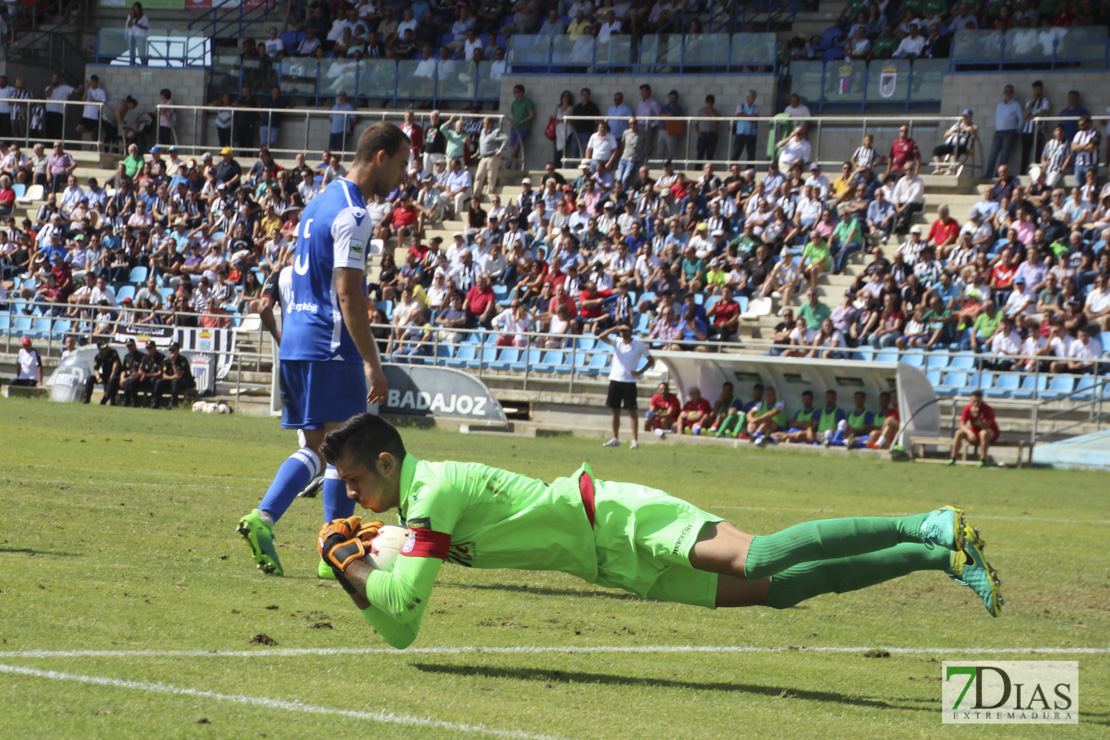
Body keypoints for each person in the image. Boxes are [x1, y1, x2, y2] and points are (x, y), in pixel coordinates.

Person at [313, 414, 1002, 650]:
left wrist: (345, 559)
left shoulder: (432, 494)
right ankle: (934, 555)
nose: (351, 496)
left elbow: (402, 609)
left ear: (385, 461)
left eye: (353, 480)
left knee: (756, 555)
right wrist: (352, 564)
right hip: (612, 566)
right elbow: (401, 630)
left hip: (617, 515)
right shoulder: (411, 514)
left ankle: (928, 519)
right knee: (779, 592)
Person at [236, 122, 407, 579]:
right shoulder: (355, 214)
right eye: (403, 163)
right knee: (343, 446)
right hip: (331, 344)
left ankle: (269, 522)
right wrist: (373, 363)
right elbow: (349, 295)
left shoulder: (318, 200)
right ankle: (332, 549)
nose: (404, 176)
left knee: (320, 447)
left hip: (297, 340)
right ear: (381, 157)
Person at [599, 323, 654, 450]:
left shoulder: (639, 345)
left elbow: (651, 360)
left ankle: (635, 440)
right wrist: (614, 328)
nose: (623, 332)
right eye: (621, 330)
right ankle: (615, 438)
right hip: (615, 379)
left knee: (632, 411)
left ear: (631, 331)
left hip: (629, 382)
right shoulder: (617, 342)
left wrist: (640, 372)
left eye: (625, 330)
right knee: (615, 410)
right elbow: (601, 336)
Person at [948, 390, 999, 467]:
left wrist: (977, 416)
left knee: (983, 433)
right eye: (974, 401)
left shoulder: (988, 409)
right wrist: (969, 432)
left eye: (978, 401)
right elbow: (962, 424)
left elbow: (986, 426)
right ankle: (953, 458)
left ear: (981, 400)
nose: (976, 404)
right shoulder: (967, 408)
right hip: (975, 431)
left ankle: (982, 459)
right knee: (958, 432)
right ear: (971, 400)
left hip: (990, 432)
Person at [985, 85, 1022, 176]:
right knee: (992, 155)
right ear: (1003, 93)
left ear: (1013, 93)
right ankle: (988, 175)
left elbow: (1022, 119)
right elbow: (996, 117)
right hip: (999, 132)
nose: (1008, 93)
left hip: (1010, 132)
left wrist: (1017, 131)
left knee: (1004, 156)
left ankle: (999, 176)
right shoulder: (999, 105)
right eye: (1006, 91)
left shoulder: (1016, 105)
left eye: (1010, 92)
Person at [150, 341, 195, 409]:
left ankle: (173, 403)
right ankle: (155, 403)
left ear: (177, 351)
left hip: (185, 381)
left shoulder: (182, 360)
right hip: (172, 380)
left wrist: (173, 362)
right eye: (170, 350)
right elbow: (164, 375)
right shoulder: (166, 360)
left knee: (176, 381)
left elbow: (178, 375)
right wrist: (172, 377)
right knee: (159, 381)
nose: (171, 352)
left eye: (173, 350)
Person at [84, 339, 122, 405]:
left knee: (112, 381)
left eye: (106, 347)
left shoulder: (113, 353)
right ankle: (86, 399)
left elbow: (116, 365)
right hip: (105, 375)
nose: (106, 348)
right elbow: (96, 370)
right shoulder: (98, 356)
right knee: (90, 378)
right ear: (99, 348)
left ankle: (105, 400)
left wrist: (111, 376)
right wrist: (98, 377)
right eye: (103, 348)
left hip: (115, 375)